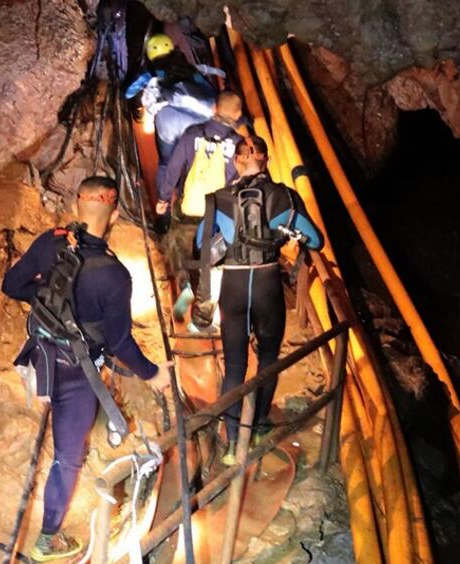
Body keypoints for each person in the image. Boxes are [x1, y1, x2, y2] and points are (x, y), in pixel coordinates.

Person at [2, 176, 170, 562]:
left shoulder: (49, 241)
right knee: (68, 457)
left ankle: (50, 531)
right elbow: (120, 343)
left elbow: (12, 285)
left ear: (78, 204)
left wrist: (45, 297)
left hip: (39, 356)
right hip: (76, 375)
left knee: (66, 437)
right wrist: (152, 373)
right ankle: (48, 540)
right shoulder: (114, 275)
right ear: (112, 212)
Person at [194, 137, 323, 440]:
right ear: (267, 160)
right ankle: (260, 424)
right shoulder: (284, 197)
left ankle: (232, 439)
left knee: (235, 363)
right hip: (266, 285)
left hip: (233, 286)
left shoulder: (219, 198)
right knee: (268, 358)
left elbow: (202, 243)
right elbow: (315, 240)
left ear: (236, 161)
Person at [156, 91, 246, 320]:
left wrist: (164, 198)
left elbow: (174, 167)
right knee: (210, 253)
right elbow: (240, 179)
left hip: (188, 205)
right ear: (238, 115)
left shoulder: (193, 133)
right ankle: (204, 301)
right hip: (215, 211)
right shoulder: (238, 144)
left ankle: (184, 280)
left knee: (178, 243)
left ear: (215, 108)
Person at [126, 34, 221, 192]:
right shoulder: (189, 69)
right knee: (201, 156)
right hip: (200, 120)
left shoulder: (150, 72)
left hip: (170, 121)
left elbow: (129, 93)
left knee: (167, 163)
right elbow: (209, 92)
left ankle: (166, 199)